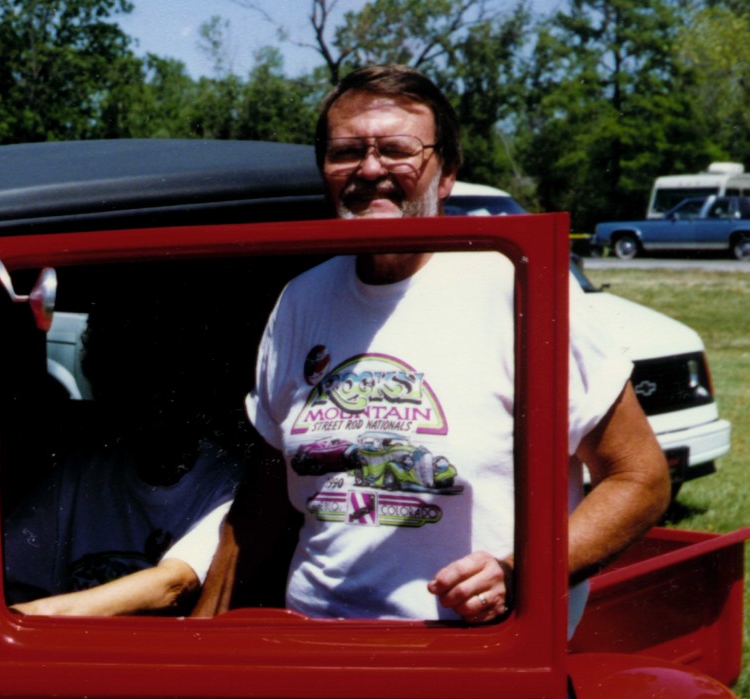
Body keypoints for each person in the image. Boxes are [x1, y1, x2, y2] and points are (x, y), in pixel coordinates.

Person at [194, 64, 671, 638]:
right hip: (314, 647)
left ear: (446, 174)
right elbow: (265, 502)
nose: (370, 169)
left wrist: (517, 576)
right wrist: (198, 642)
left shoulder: (517, 287)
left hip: (472, 659)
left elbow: (639, 478)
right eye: (347, 152)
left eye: (398, 150)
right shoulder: (302, 298)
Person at [3, 293, 243, 616]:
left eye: (159, 379)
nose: (146, 399)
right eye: (126, 378)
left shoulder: (226, 481)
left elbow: (173, 584)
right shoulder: (80, 475)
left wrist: (25, 617)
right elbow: (8, 570)